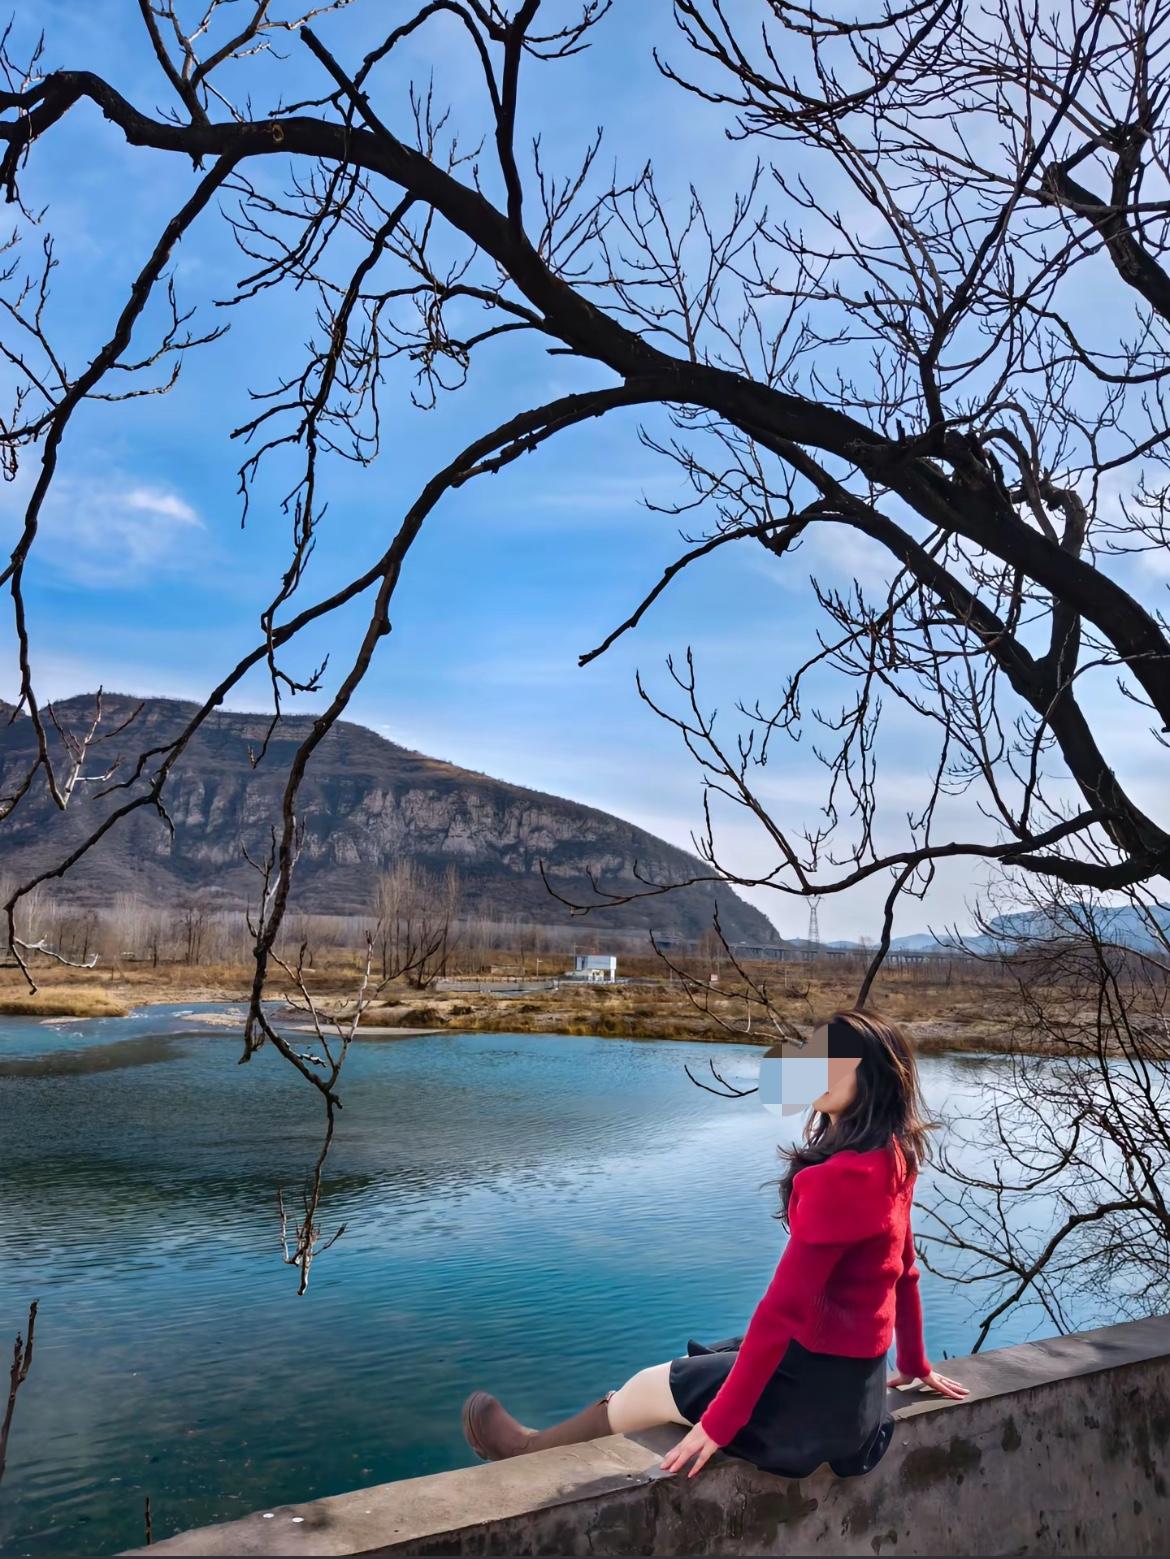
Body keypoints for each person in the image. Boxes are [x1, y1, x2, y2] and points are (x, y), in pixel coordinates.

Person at [461, 1007, 969, 1478]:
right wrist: (914, 1362)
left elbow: (782, 1311)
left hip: (809, 1408)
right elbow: (903, 1270)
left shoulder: (840, 1179)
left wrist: (719, 1425)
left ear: (873, 1079)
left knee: (650, 1385)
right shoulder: (893, 1158)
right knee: (715, 1356)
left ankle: (526, 1451)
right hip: (856, 1397)